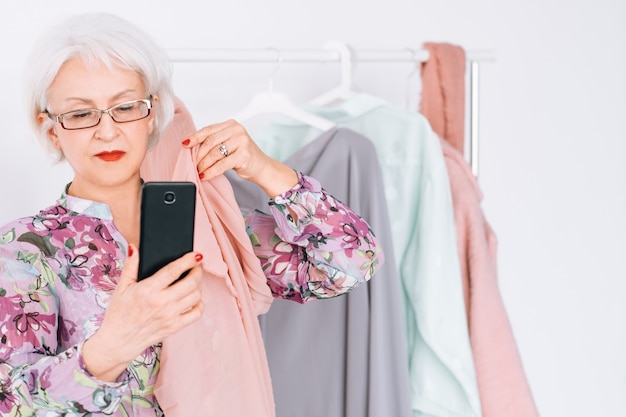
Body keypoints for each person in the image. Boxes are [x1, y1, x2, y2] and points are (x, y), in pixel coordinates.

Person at [0, 12, 383, 416]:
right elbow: (10, 401)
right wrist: (112, 346)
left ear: (153, 113)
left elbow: (349, 264)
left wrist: (265, 169)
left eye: (126, 107)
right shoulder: (25, 249)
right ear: (50, 128)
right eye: (81, 114)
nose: (107, 131)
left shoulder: (214, 229)